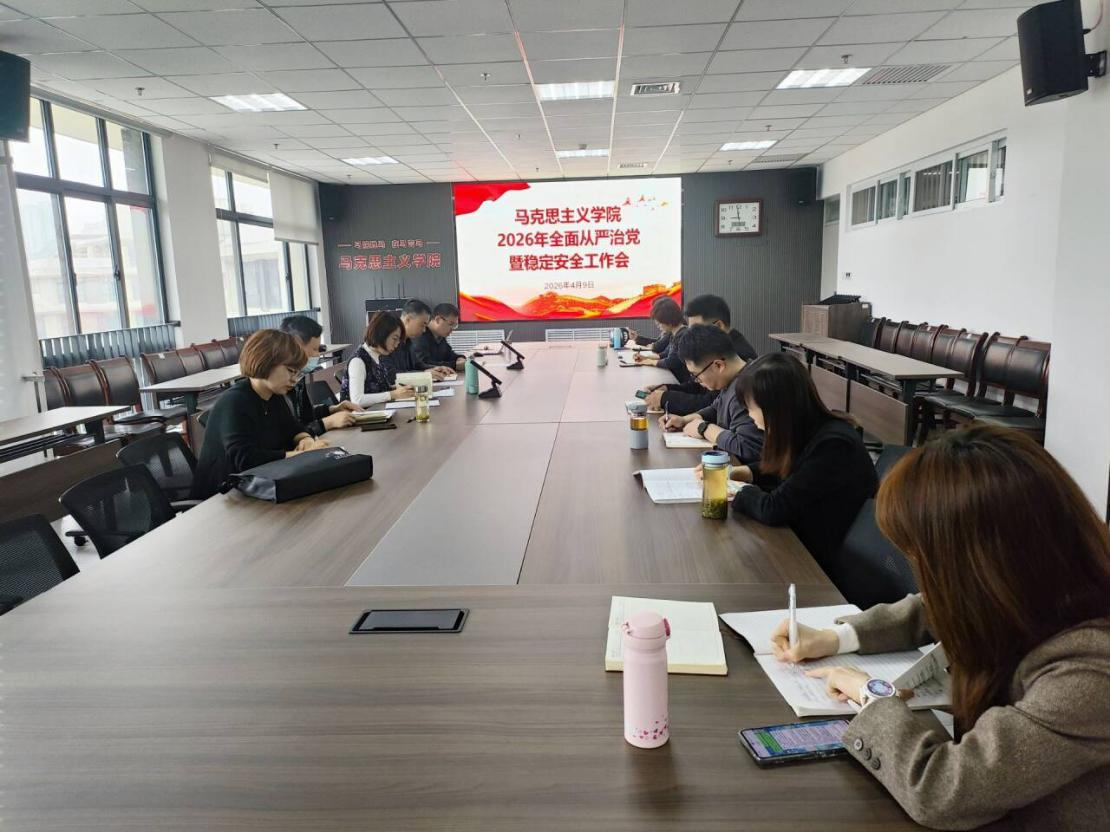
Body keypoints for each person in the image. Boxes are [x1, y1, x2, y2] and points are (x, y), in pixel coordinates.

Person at [768, 425, 1110, 831]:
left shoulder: (1088, 674)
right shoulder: (1040, 585)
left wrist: (871, 694)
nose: (921, 573)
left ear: (986, 561)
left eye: (925, 558)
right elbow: (935, 606)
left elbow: (940, 790)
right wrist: (835, 637)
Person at [727, 352, 876, 566]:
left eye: (751, 408)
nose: (749, 415)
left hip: (828, 560)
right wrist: (747, 472)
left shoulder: (833, 445)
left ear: (777, 408)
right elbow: (790, 470)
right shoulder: (808, 429)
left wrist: (739, 492)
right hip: (806, 540)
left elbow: (774, 508)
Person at [192, 329, 328, 499]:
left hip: (257, 486)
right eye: (290, 371)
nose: (294, 379)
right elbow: (244, 459)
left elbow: (293, 427)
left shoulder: (274, 395)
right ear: (266, 362)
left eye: (297, 373)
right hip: (221, 497)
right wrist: (300, 456)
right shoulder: (235, 402)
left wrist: (304, 439)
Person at [660, 324, 763, 463]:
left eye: (696, 375)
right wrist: (684, 420)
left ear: (718, 365)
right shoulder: (734, 379)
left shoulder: (748, 389)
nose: (697, 381)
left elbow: (747, 447)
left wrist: (704, 428)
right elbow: (716, 408)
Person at [644, 294, 758, 414]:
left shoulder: (737, 357)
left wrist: (665, 398)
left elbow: (711, 404)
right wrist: (667, 388)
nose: (691, 335)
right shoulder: (716, 347)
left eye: (697, 329)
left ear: (718, 326)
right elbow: (699, 386)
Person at [278, 315, 362, 436]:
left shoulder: (299, 377)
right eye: (314, 349)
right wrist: (327, 423)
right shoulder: (280, 384)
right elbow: (291, 434)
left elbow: (305, 415)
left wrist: (332, 410)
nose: (318, 355)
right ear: (295, 345)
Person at [339, 311, 415, 407]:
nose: (396, 345)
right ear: (381, 334)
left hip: (377, 411)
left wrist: (399, 389)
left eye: (398, 341)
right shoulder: (358, 361)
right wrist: (392, 394)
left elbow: (380, 389)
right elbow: (357, 400)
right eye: (394, 339)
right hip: (359, 414)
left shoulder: (378, 357)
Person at [383, 300, 454, 380]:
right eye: (422, 325)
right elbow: (390, 374)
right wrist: (423, 374)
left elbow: (417, 365)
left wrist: (436, 368)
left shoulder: (408, 340)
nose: (424, 330)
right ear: (408, 319)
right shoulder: (389, 340)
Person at [631, 297, 690, 383]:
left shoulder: (683, 335)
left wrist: (649, 361)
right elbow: (664, 354)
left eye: (659, 323)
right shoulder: (674, 334)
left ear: (668, 320)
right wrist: (645, 357)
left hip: (680, 382)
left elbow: (671, 362)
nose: (658, 326)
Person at [413, 303, 466, 373]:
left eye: (455, 325)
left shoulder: (440, 336)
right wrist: (455, 365)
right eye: (450, 324)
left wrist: (460, 358)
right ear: (438, 320)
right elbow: (424, 363)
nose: (452, 329)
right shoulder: (420, 335)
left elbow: (449, 355)